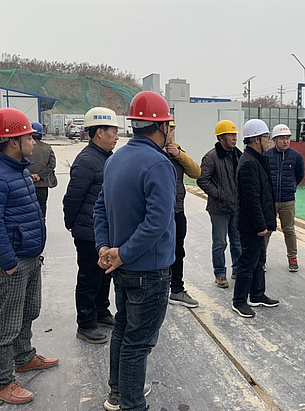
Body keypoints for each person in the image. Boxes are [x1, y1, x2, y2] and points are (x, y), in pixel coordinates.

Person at [95, 91, 176, 411]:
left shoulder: (115, 159)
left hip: (122, 267)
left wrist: (106, 247)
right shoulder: (159, 164)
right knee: (138, 343)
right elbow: (157, 222)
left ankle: (118, 393)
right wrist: (124, 253)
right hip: (148, 271)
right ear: (162, 126)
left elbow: (100, 208)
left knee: (123, 330)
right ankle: (132, 403)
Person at [0, 108, 58, 405]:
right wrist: (8, 264)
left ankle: (23, 357)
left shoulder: (19, 169)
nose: (34, 142)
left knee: (28, 311)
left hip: (29, 257)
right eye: (29, 137)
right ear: (13, 141)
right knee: (5, 324)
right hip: (11, 263)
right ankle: (1, 383)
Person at [63, 107, 120, 344]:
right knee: (89, 277)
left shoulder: (106, 158)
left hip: (103, 230)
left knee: (105, 274)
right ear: (99, 132)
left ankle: (101, 312)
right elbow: (73, 197)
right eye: (113, 131)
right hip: (88, 231)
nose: (117, 136)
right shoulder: (87, 161)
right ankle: (86, 323)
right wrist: (71, 223)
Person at [232, 119, 279, 318]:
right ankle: (239, 301)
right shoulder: (248, 163)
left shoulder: (257, 159)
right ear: (257, 139)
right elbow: (251, 199)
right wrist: (261, 225)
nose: (269, 141)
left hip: (258, 222)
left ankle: (257, 294)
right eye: (267, 137)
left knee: (259, 260)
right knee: (247, 262)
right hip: (250, 224)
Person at [197, 120, 243, 288]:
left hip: (236, 207)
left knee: (237, 242)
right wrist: (220, 194)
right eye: (230, 135)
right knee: (220, 243)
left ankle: (238, 269)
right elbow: (202, 180)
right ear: (221, 137)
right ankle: (220, 273)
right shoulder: (211, 157)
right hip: (219, 209)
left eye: (235, 135)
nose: (234, 138)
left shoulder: (238, 155)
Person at [164, 120, 202, 307]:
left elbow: (196, 172)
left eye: (173, 130)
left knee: (178, 251)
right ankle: (160, 289)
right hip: (161, 213)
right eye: (169, 129)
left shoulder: (177, 151)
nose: (171, 133)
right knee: (160, 251)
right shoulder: (153, 153)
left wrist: (178, 155)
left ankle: (176, 289)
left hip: (178, 210)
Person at [264, 124, 305, 272]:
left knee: (289, 230)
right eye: (282, 138)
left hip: (288, 200)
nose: (285, 141)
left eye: (287, 138)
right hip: (270, 200)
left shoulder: (296, 157)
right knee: (266, 230)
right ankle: (262, 258)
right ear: (275, 140)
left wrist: (290, 186)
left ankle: (292, 258)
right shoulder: (266, 156)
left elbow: (299, 175)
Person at [28, 122, 57, 218]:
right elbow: (52, 165)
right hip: (42, 184)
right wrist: (39, 176)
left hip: (27, 184)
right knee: (42, 207)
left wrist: (30, 176)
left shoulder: (24, 147)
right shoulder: (47, 147)